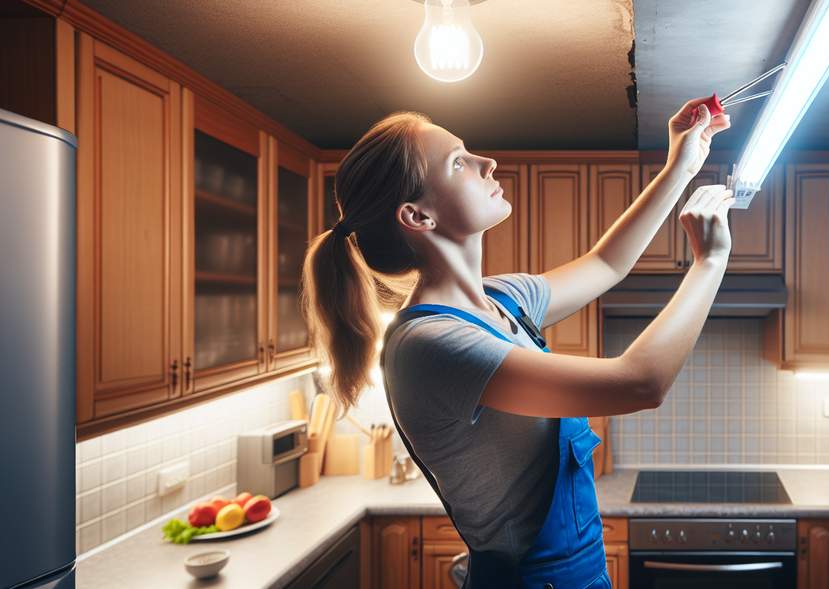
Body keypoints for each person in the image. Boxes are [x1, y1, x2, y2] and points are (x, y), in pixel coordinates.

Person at [301, 97, 734, 588]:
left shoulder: (502, 300)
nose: (488, 163)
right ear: (418, 217)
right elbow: (640, 383)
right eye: (459, 162)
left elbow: (606, 264)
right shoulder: (430, 344)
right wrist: (710, 262)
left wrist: (682, 163)